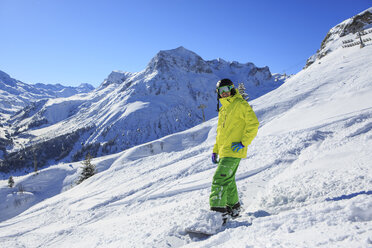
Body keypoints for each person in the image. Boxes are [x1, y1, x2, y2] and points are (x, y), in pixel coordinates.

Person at [210, 78, 259, 223]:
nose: (224, 94)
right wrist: (216, 150)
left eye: (226, 90)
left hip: (234, 150)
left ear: (232, 89)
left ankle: (217, 214)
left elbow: (254, 124)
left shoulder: (240, 104)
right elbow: (221, 133)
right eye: (221, 91)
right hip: (225, 151)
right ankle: (234, 207)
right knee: (228, 180)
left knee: (219, 179)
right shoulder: (223, 108)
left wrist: (244, 142)